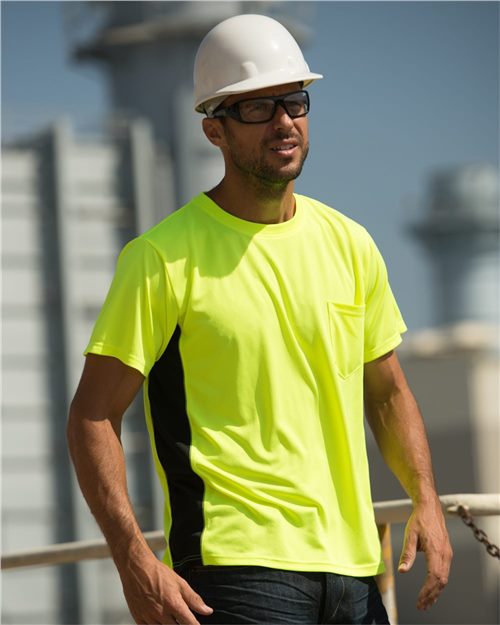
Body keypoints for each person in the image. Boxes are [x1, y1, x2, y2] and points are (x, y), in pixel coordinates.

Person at [67, 13, 452, 625]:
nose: (283, 121)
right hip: (235, 572)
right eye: (256, 107)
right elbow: (92, 416)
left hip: (355, 573)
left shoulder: (351, 245)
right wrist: (132, 558)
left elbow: (387, 392)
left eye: (294, 101)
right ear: (213, 129)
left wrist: (425, 499)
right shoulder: (162, 258)